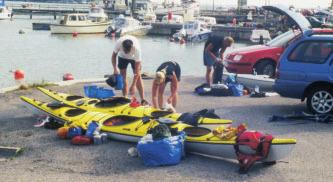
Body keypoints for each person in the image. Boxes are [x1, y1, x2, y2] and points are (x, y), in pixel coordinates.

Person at [112, 35, 147, 104]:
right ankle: (125, 97)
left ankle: (143, 99)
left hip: (134, 59)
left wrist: (133, 85)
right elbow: (113, 56)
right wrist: (115, 68)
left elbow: (137, 71)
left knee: (138, 78)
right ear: (122, 46)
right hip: (122, 57)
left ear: (132, 47)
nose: (126, 53)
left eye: (128, 51)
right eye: (125, 50)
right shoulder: (119, 43)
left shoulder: (137, 49)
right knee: (123, 77)